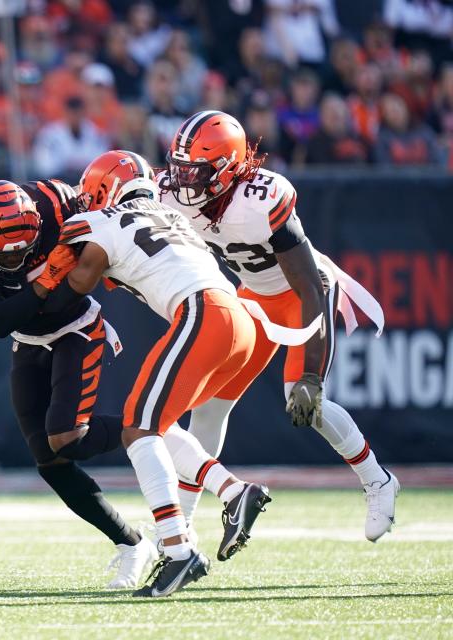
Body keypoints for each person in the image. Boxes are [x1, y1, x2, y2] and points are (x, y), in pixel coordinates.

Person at [40, 150, 279, 597]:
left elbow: (74, 285)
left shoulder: (101, 221)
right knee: (156, 425)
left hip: (204, 313)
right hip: (241, 319)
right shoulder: (171, 214)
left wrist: (35, 295)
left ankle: (178, 550)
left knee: (137, 427)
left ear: (102, 190)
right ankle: (230, 493)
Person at [156, 110, 398, 543]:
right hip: (252, 296)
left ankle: (378, 480)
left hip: (303, 294)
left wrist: (310, 375)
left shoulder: (260, 200)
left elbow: (308, 284)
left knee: (304, 401)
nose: (183, 181)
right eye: (180, 168)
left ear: (227, 169)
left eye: (196, 171)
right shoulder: (173, 194)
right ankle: (183, 523)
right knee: (208, 406)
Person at [0, 178, 159, 590]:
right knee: (50, 462)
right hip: (27, 339)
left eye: (25, 250)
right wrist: (43, 280)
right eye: (7, 255)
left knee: (67, 438)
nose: (18, 260)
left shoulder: (58, 204)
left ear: (38, 224)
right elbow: (0, 323)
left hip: (77, 326)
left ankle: (153, 427)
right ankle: (131, 544)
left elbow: (110, 198)